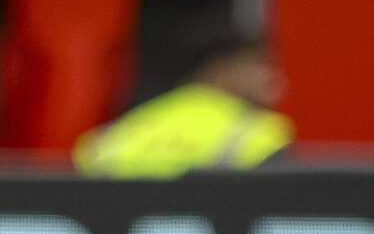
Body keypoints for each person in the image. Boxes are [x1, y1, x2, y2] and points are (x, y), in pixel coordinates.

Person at [72, 29, 292, 176]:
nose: (273, 77)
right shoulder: (261, 135)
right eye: (259, 64)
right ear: (219, 70)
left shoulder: (112, 138)